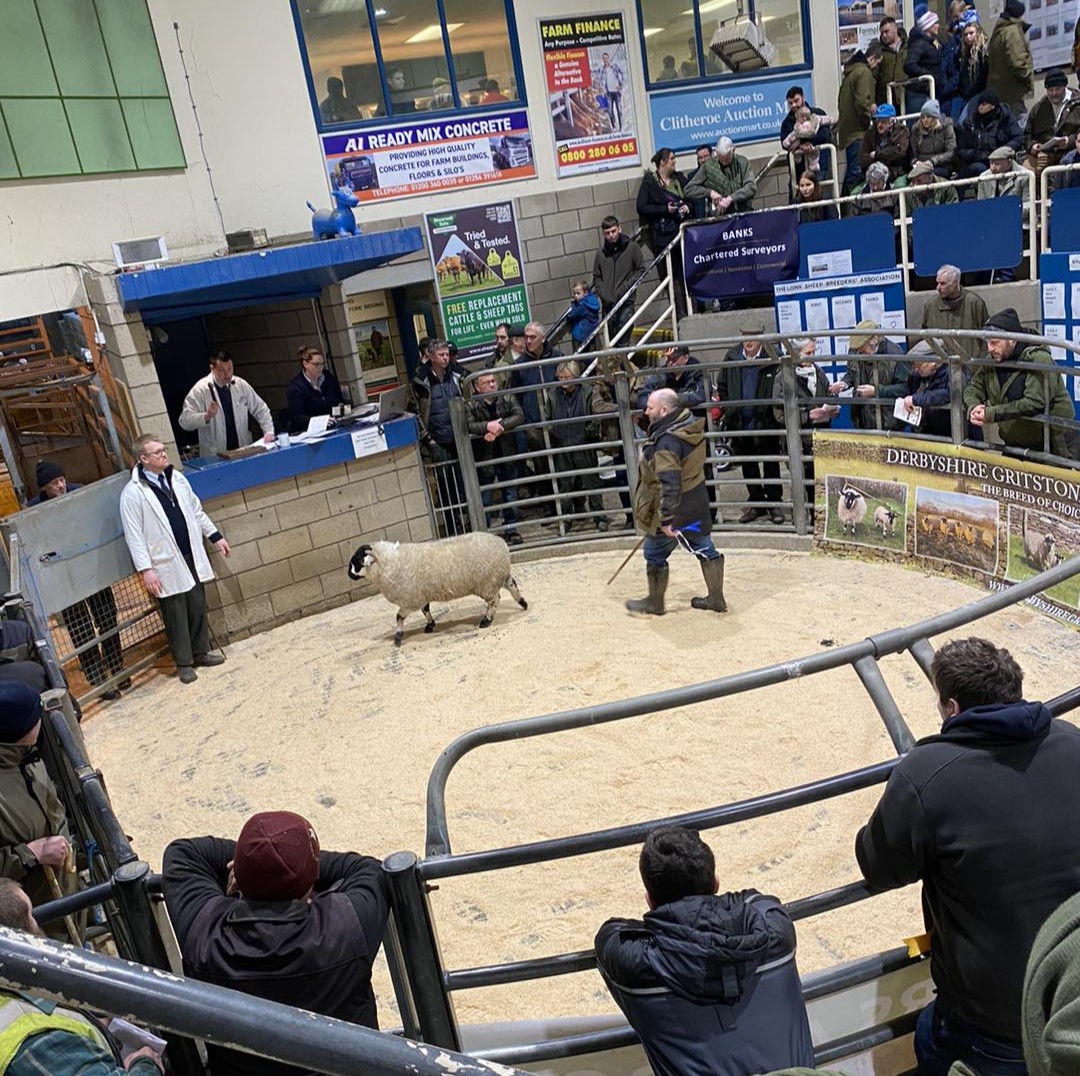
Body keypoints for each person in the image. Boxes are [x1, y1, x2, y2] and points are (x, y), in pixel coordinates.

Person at [856, 637, 1080, 1076]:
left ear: (952, 708)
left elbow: (878, 864)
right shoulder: (1073, 741)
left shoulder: (927, 774)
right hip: (1071, 997)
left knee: (930, 1038)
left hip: (991, 1024)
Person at [162, 810, 390, 1076]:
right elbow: (369, 869)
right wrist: (294, 862)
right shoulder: (346, 925)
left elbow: (182, 853)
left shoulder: (204, 932)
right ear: (311, 875)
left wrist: (255, 862)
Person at [595, 826, 813, 1075]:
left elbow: (610, 933)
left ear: (650, 901)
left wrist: (669, 926)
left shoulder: (637, 965)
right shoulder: (776, 932)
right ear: (716, 883)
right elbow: (759, 901)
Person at [0, 877, 164, 1073]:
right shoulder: (37, 1039)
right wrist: (146, 1065)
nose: (38, 924)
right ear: (22, 940)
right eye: (32, 916)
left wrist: (95, 1028)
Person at [119, 435, 230, 684]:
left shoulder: (176, 478)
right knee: (175, 611)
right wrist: (146, 570)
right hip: (163, 561)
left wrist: (214, 536)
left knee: (197, 602)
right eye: (156, 452)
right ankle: (183, 662)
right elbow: (134, 535)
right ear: (143, 459)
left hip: (190, 551)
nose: (163, 454)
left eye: (163, 449)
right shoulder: (133, 493)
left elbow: (195, 510)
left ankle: (201, 651)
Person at [28, 461, 128, 700]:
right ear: (44, 488)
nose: (60, 485)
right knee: (80, 627)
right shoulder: (33, 510)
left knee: (106, 616)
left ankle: (117, 666)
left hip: (92, 568)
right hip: (64, 577)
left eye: (61, 480)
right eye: (54, 483)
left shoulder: (79, 493)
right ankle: (98, 677)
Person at [625, 389, 725, 614]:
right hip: (694, 498)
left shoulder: (666, 442)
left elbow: (669, 482)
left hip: (677, 508)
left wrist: (667, 518)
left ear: (664, 410)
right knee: (703, 546)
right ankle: (716, 598)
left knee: (655, 552)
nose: (646, 410)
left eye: (650, 407)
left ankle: (655, 602)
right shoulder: (686, 424)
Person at [0, 682, 79, 938]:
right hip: (34, 919)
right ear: (18, 729)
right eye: (37, 712)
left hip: (62, 891)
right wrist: (29, 854)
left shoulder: (24, 755)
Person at [963, 308, 1075, 458]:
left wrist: (991, 413)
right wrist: (974, 405)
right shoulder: (991, 362)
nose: (990, 349)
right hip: (1015, 443)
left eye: (995, 342)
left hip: (1054, 445)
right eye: (988, 343)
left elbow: (1034, 402)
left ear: (1012, 339)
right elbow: (974, 386)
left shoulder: (1039, 359)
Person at [718, 318, 783, 525]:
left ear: (761, 338)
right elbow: (722, 384)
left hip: (766, 421)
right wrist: (730, 410)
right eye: (745, 336)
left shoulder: (775, 356)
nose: (748, 341)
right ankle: (756, 502)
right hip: (740, 421)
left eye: (753, 337)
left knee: (771, 463)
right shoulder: (731, 356)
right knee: (748, 464)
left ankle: (774, 503)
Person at [772, 339, 839, 519]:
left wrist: (832, 408)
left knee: (821, 482)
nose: (813, 356)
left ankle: (821, 520)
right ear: (796, 353)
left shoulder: (819, 372)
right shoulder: (783, 377)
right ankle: (805, 521)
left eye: (813, 352)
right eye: (808, 353)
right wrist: (807, 416)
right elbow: (779, 413)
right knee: (802, 483)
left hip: (820, 437)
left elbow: (827, 397)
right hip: (799, 441)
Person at [411, 340, 467, 535]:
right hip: (438, 440)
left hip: (460, 437)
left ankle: (468, 521)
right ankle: (453, 526)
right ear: (431, 356)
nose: (446, 358)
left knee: (464, 481)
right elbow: (415, 410)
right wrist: (427, 438)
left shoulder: (459, 374)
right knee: (444, 484)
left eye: (447, 354)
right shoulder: (420, 380)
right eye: (441, 355)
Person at [547, 361, 606, 531]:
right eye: (561, 377)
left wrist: (591, 430)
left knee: (592, 482)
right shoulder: (552, 394)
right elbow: (548, 417)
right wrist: (554, 434)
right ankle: (566, 519)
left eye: (567, 377)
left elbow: (595, 414)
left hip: (584, 443)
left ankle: (599, 516)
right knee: (565, 484)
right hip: (562, 444)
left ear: (576, 377)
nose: (563, 380)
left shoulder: (588, 391)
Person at [179, 350, 274, 456]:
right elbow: (184, 421)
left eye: (229, 369)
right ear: (212, 368)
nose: (227, 375)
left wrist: (268, 431)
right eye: (221, 371)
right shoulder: (200, 390)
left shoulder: (241, 385)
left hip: (242, 450)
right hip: (215, 455)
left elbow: (260, 408)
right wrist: (206, 416)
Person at [467, 371, 524, 545]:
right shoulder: (471, 404)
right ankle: (485, 535)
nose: (492, 384)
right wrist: (487, 426)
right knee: (485, 498)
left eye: (493, 381)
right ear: (477, 387)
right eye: (487, 382)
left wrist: (498, 427)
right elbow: (469, 425)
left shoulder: (506, 396)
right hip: (485, 456)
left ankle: (511, 530)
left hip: (506, 453)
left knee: (510, 494)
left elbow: (519, 416)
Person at [828, 320, 910, 430]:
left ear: (874, 341)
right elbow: (852, 373)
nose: (859, 353)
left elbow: (906, 388)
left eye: (862, 350)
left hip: (888, 423)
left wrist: (877, 391)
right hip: (861, 420)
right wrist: (845, 383)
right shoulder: (855, 350)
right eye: (858, 351)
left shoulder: (895, 354)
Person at [636, 149, 689, 317]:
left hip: (682, 234)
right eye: (672, 158)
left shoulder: (679, 178)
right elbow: (642, 207)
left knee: (685, 274)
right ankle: (680, 314)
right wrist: (665, 209)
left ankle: (692, 309)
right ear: (662, 162)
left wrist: (689, 206)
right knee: (672, 278)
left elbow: (692, 197)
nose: (675, 161)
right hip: (664, 237)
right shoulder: (650, 182)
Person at [591, 354, 640, 530]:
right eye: (610, 370)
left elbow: (640, 400)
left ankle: (644, 514)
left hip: (637, 435)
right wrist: (622, 408)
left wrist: (629, 405)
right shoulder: (598, 386)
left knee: (643, 475)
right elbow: (597, 407)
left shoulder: (633, 378)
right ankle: (629, 515)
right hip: (615, 438)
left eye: (616, 368)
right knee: (621, 478)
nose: (614, 373)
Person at [838, 43, 883, 194]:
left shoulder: (851, 73)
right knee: (856, 171)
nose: (877, 68)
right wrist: (869, 122)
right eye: (877, 63)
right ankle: (846, 210)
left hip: (847, 132)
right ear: (873, 59)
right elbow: (863, 102)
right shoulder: (864, 72)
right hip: (858, 131)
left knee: (852, 170)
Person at [592, 216, 644, 346]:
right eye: (607, 233)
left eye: (613, 231)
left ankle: (623, 364)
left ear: (619, 229)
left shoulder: (632, 247)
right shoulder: (600, 254)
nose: (611, 235)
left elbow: (641, 270)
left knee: (623, 339)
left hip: (626, 300)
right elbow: (597, 277)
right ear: (603, 234)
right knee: (611, 341)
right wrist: (604, 294)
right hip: (608, 304)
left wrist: (626, 287)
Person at [922, 263, 988, 360]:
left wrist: (980, 364)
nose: (938, 287)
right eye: (937, 283)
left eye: (943, 283)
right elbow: (924, 338)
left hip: (971, 365)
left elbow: (987, 336)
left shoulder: (975, 303)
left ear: (955, 283)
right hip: (940, 367)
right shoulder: (930, 306)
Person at [1023, 68, 1080, 177]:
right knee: (1027, 169)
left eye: (1057, 89)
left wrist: (1069, 141)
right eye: (1050, 90)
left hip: (1072, 151)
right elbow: (1028, 134)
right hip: (1045, 155)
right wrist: (1033, 146)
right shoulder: (1039, 108)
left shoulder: (1077, 104)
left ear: (1064, 86)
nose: (1054, 93)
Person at [954, 90, 1023, 178]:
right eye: (979, 104)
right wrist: (977, 155)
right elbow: (962, 149)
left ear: (993, 105)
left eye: (984, 104)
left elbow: (1018, 138)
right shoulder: (971, 122)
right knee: (976, 169)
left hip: (1002, 158)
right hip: (979, 160)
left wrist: (1000, 152)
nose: (980, 107)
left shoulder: (1006, 118)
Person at [684, 136, 757, 216]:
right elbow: (689, 189)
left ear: (733, 150)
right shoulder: (708, 167)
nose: (724, 163)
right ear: (716, 153)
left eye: (727, 159)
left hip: (744, 213)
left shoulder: (743, 162)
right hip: (721, 216)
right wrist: (710, 193)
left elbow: (751, 187)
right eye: (721, 159)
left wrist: (731, 198)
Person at [987, 0, 1033, 124]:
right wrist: (1028, 77)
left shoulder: (999, 31)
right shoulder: (1012, 31)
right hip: (1012, 90)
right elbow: (1018, 62)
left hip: (1000, 90)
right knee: (1021, 123)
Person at [779, 85, 834, 181]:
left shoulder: (817, 114)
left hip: (821, 163)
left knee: (821, 190)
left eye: (796, 101)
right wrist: (801, 145)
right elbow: (784, 144)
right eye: (790, 103)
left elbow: (826, 136)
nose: (794, 105)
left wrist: (806, 142)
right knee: (797, 192)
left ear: (803, 97)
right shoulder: (786, 123)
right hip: (799, 169)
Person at [285, 346, 344, 434]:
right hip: (309, 432)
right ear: (305, 364)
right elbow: (298, 417)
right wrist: (321, 421)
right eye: (316, 364)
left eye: (322, 364)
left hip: (334, 426)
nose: (320, 367)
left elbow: (338, 399)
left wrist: (341, 407)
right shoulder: (295, 387)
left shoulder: (328, 377)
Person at [899, 339, 952, 436]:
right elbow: (905, 390)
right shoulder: (916, 376)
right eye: (914, 364)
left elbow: (947, 394)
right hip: (926, 432)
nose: (916, 368)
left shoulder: (954, 373)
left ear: (934, 361)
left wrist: (915, 399)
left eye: (919, 364)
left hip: (951, 433)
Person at [859, 102, 911, 184]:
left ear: (892, 120)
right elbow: (862, 158)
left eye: (883, 121)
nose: (880, 124)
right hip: (873, 173)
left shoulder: (902, 131)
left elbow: (899, 152)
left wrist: (877, 155)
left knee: (899, 186)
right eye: (878, 120)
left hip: (896, 172)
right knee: (855, 192)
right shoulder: (870, 134)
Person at [904, 10, 942, 118]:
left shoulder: (929, 43)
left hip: (928, 91)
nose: (938, 26)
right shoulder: (920, 43)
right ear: (928, 26)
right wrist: (928, 76)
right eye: (935, 23)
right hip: (919, 93)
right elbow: (909, 64)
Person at [956, 10, 990, 119]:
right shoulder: (964, 53)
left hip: (979, 93)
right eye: (965, 34)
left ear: (978, 32)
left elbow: (983, 77)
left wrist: (970, 91)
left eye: (971, 33)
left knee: (963, 121)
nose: (968, 37)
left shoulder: (983, 52)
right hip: (967, 94)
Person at [910, 99, 957, 176]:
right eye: (923, 117)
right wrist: (915, 161)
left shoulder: (946, 127)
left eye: (928, 117)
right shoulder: (916, 130)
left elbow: (951, 152)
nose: (925, 120)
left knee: (929, 175)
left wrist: (932, 161)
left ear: (935, 117)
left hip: (942, 165)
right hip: (922, 166)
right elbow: (914, 154)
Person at [877, 17, 908, 105]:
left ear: (895, 29)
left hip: (906, 94)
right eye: (882, 33)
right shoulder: (880, 52)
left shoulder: (908, 46)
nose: (884, 35)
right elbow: (873, 77)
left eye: (886, 32)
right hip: (887, 98)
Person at [566, 280, 600, 350]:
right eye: (574, 293)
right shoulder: (593, 302)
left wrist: (573, 305)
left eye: (578, 293)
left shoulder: (582, 306)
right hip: (591, 332)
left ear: (586, 293)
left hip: (580, 335)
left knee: (579, 357)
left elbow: (572, 315)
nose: (575, 296)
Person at [597, 52, 625, 131]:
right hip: (608, 92)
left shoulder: (614, 66)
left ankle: (621, 127)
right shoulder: (602, 69)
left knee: (619, 109)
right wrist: (601, 87)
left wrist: (621, 84)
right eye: (604, 58)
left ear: (609, 58)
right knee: (609, 110)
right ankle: (614, 126)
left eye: (606, 58)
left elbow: (622, 73)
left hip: (617, 91)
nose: (605, 60)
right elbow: (599, 78)